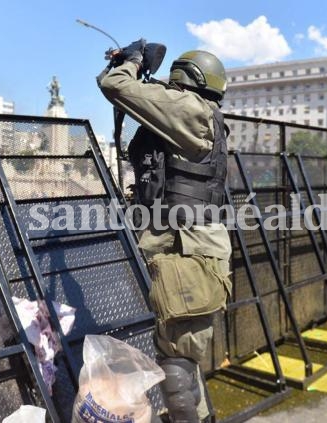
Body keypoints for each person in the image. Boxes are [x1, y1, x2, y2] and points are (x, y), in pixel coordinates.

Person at [98, 42, 230, 423]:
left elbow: (116, 87)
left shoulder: (189, 110)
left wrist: (135, 62)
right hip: (186, 248)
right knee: (180, 356)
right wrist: (128, 64)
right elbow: (118, 86)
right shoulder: (195, 112)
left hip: (188, 252)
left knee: (176, 361)